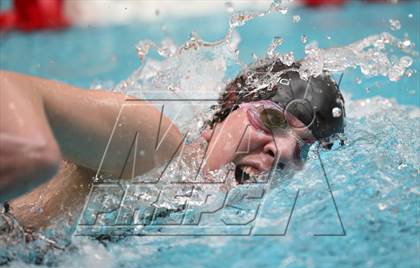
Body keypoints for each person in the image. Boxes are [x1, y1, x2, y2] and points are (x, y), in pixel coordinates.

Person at [0, 58, 345, 231]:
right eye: (271, 120)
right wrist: (35, 150)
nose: (284, 152)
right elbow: (11, 87)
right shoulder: (155, 143)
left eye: (304, 148)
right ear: (225, 111)